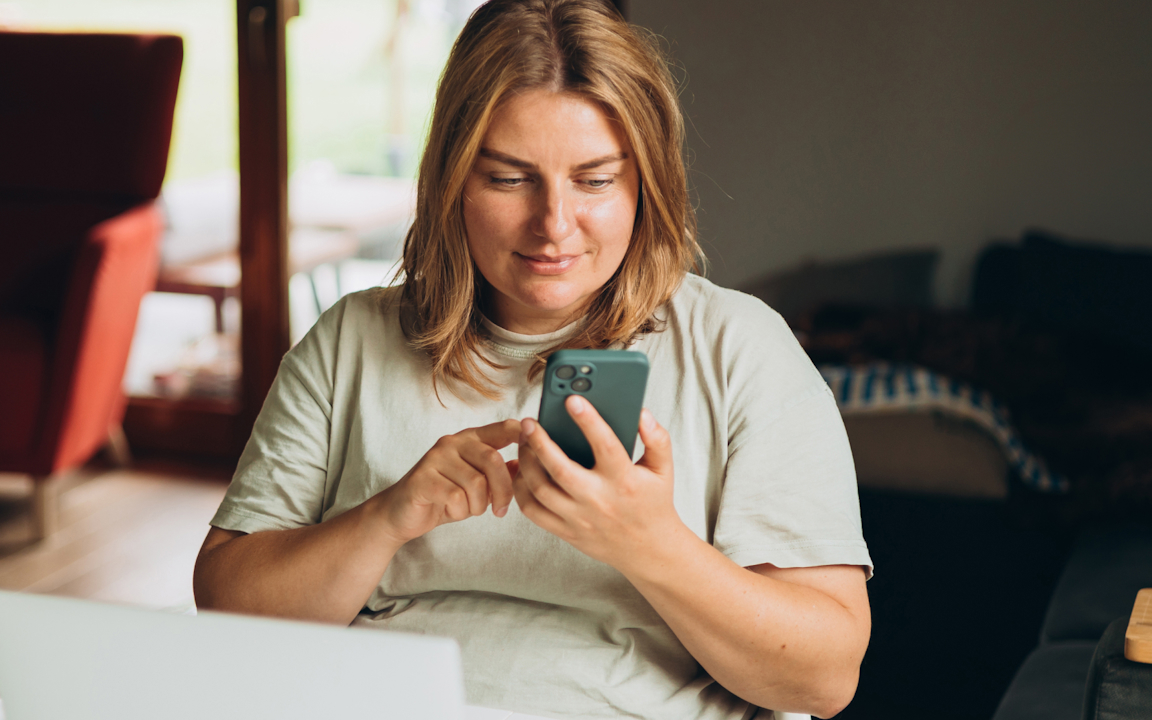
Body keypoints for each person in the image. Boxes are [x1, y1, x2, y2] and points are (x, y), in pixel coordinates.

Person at [192, 1, 872, 718]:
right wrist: (385, 518)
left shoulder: (742, 351)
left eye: (595, 180)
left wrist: (652, 545)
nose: (553, 225)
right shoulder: (351, 341)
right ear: (453, 179)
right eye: (509, 179)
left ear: (647, 183)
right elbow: (230, 608)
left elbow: (823, 679)